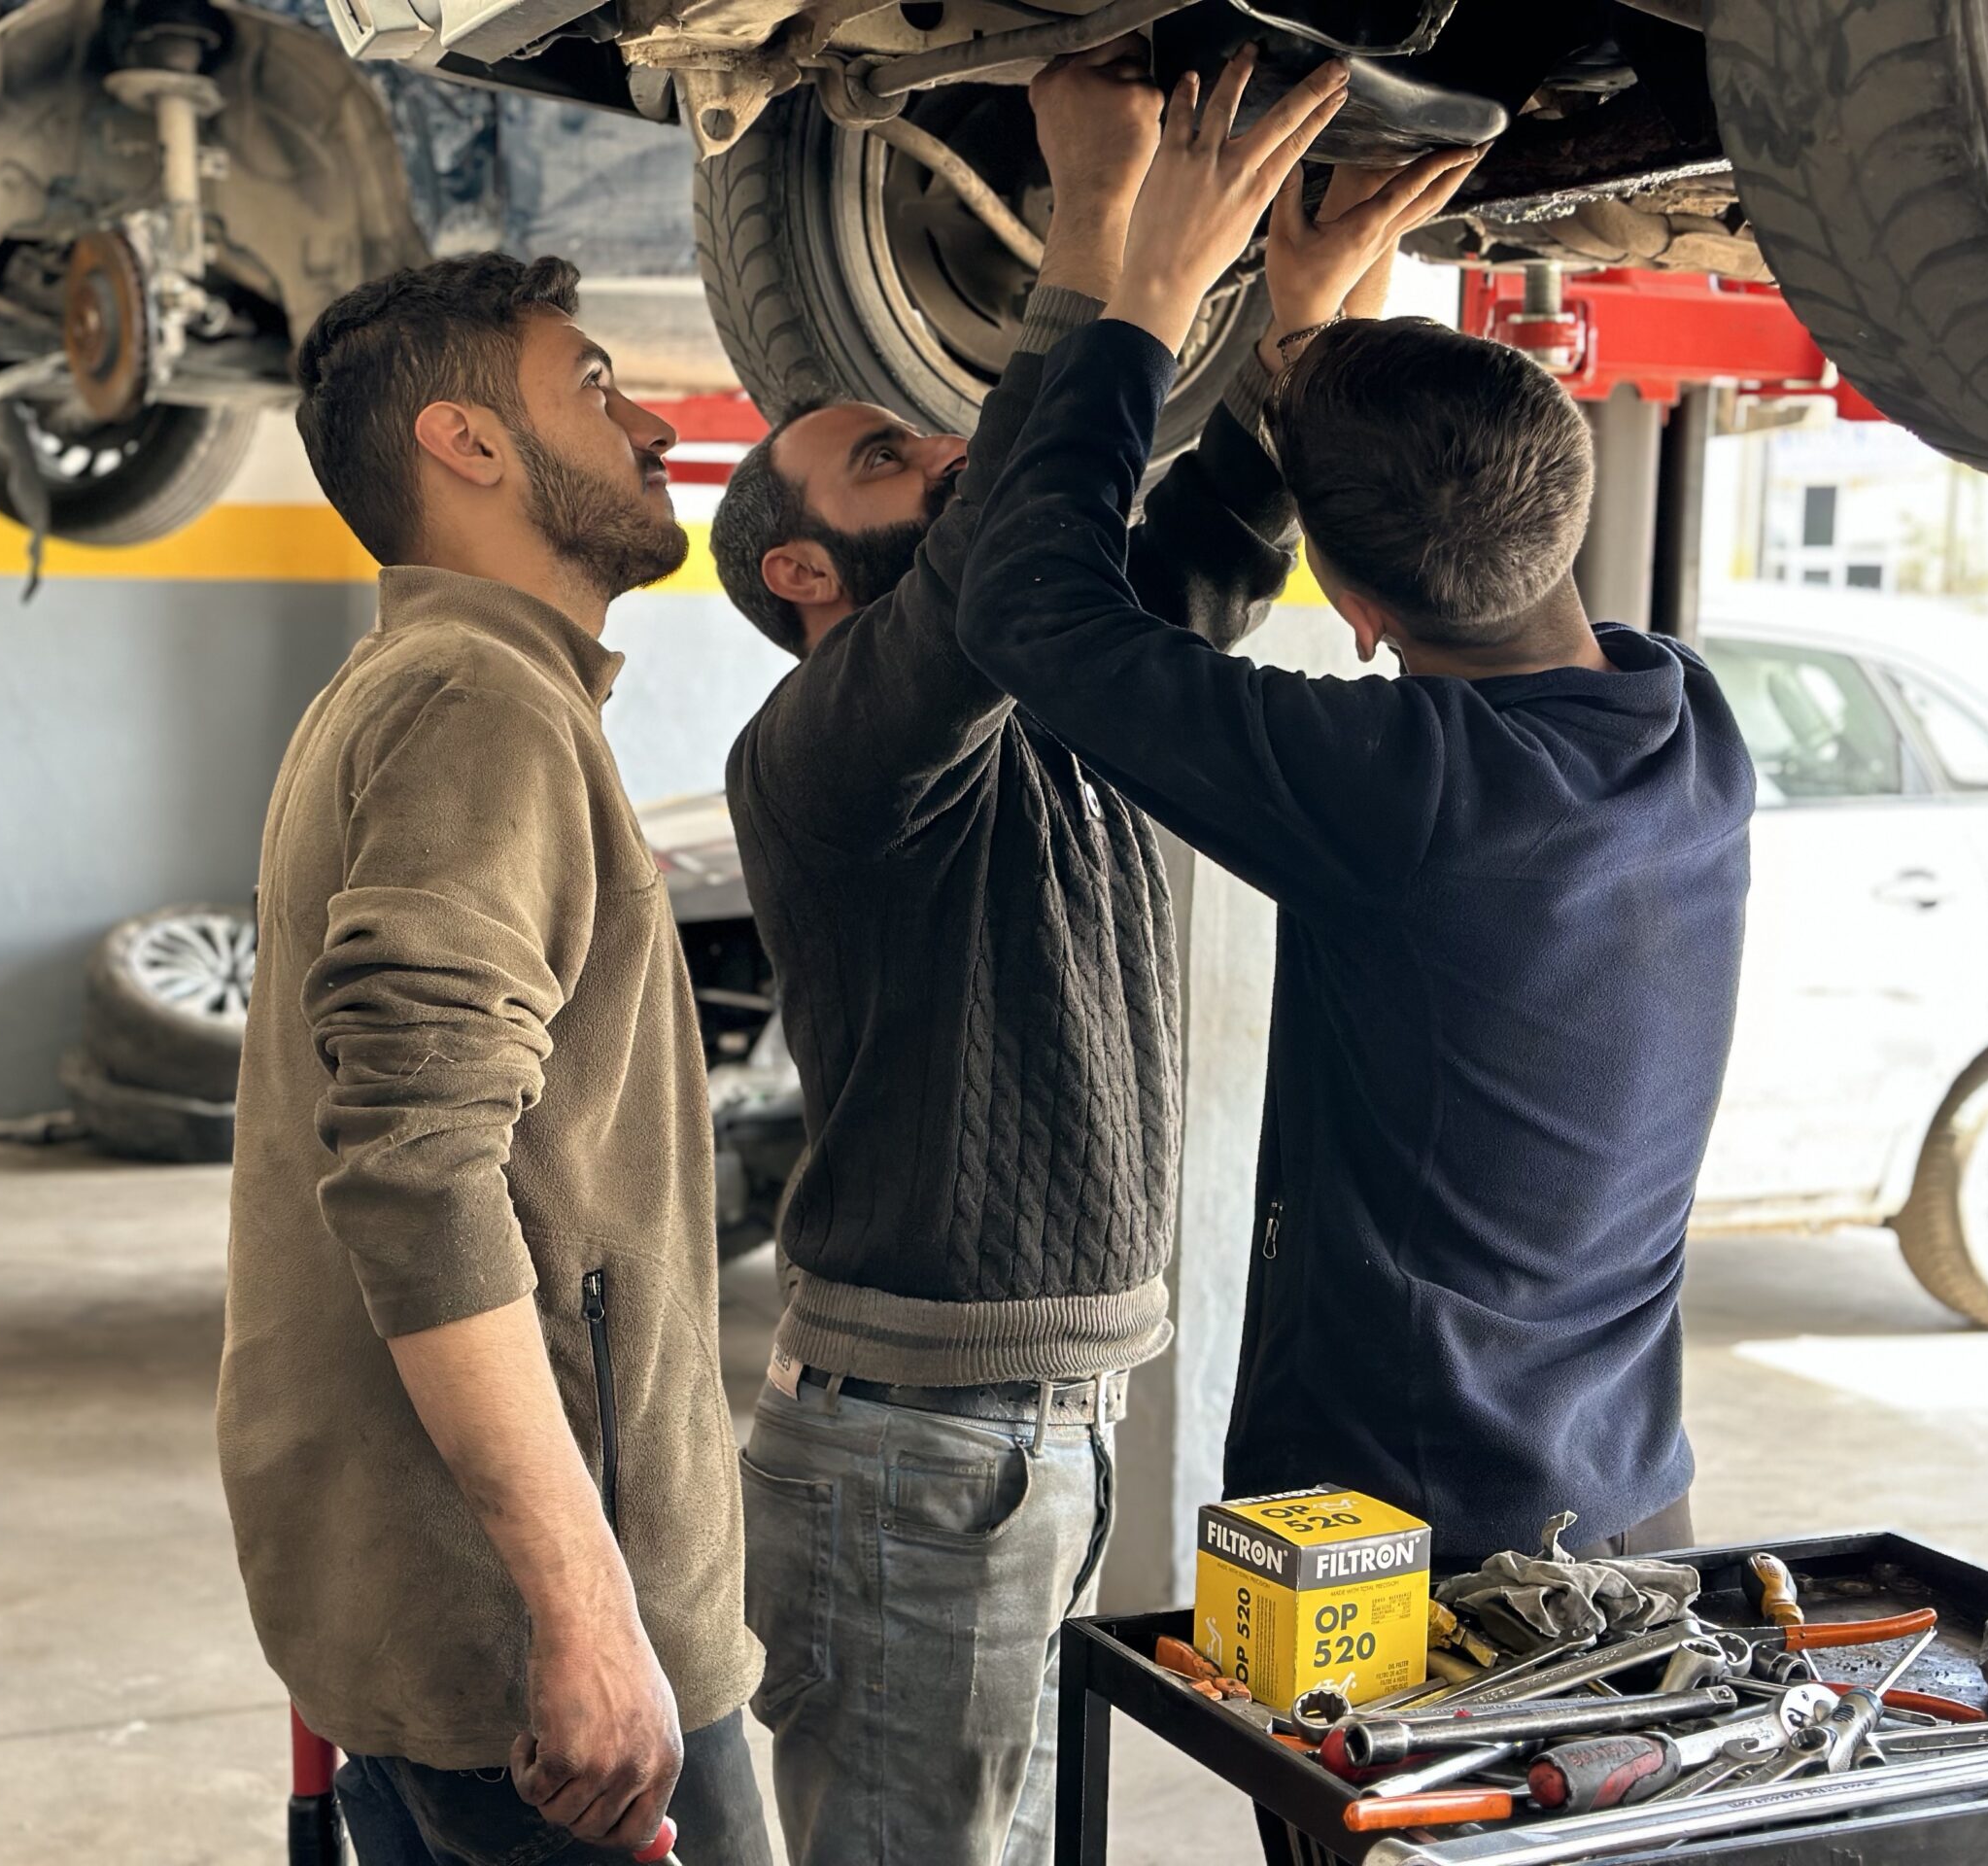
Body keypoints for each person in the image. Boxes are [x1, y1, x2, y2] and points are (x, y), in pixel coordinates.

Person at [954, 52, 1755, 1857]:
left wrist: (1138, 281)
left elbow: (1031, 611)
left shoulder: (1409, 792)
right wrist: (1307, 343)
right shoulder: (1686, 729)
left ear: (1354, 613)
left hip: (1403, 1570)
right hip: (1628, 1518)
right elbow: (1448, 567)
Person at [705, 45, 1367, 1866]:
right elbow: (1010, 523)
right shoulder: (829, 746)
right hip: (919, 1457)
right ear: (807, 582)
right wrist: (1096, 223)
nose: (928, 434)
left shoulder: (1032, 695)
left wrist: (1301, 311)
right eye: (873, 456)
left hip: (995, 1444)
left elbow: (1201, 562)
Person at [218, 252, 766, 1866]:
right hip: (534, 1667)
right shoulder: (479, 702)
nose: (653, 422)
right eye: (593, 384)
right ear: (466, 444)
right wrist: (588, 1611)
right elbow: (414, 1169)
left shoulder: (412, 687)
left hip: (447, 1621)